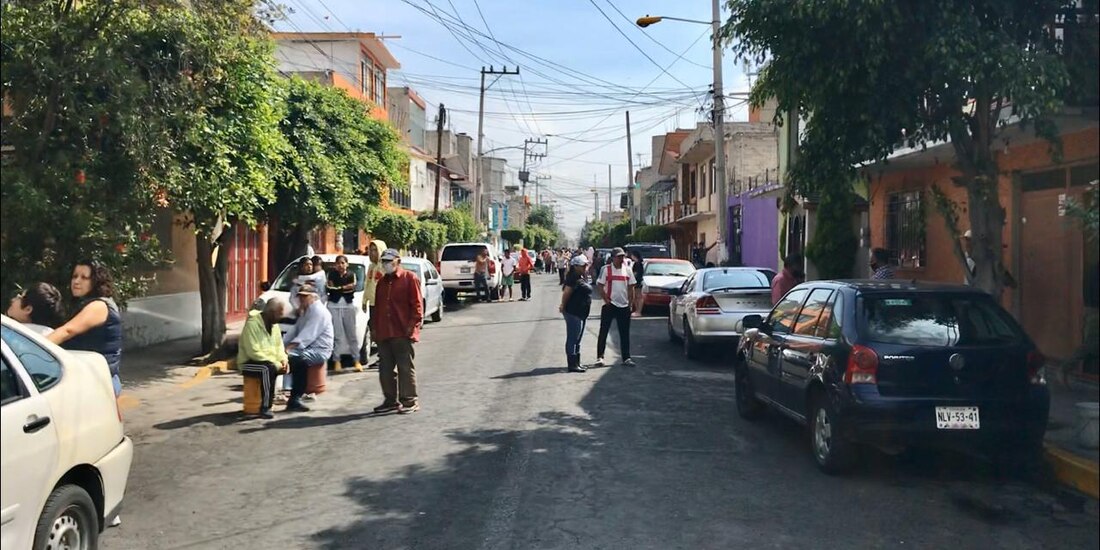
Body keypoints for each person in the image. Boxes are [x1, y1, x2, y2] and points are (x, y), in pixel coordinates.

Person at [48, 260, 124, 396]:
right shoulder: (83, 304)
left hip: (100, 383)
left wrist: (35, 348)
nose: (76, 281)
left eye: (84, 277)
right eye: (74, 276)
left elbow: (67, 330)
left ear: (95, 281)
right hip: (91, 379)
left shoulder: (99, 306)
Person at [371, 249, 424, 415]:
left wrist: (411, 328)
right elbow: (378, 308)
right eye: (384, 262)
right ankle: (390, 400)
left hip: (402, 331)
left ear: (397, 261)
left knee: (405, 368)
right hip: (384, 332)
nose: (386, 264)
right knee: (385, 369)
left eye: (389, 261)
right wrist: (375, 329)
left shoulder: (409, 278)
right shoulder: (382, 283)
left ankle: (409, 400)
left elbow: (417, 306)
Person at [282, 283, 334, 412]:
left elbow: (307, 336)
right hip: (306, 348)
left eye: (305, 297)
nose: (301, 300)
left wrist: (287, 350)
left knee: (295, 359)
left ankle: (295, 396)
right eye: (300, 297)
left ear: (313, 297)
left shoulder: (319, 311)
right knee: (287, 357)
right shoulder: (306, 311)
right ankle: (289, 393)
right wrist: (281, 346)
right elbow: (294, 331)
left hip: (319, 350)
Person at [238, 297, 290, 419]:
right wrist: (276, 364)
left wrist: (283, 360)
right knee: (267, 369)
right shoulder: (252, 325)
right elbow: (253, 352)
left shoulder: (275, 326)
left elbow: (279, 347)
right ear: (271, 313)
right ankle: (266, 407)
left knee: (298, 360)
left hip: (269, 362)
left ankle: (295, 399)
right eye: (279, 314)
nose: (281, 317)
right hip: (248, 362)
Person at [595, 247, 637, 367]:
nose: (621, 259)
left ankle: (626, 357)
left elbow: (631, 287)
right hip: (610, 305)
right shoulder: (606, 270)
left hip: (623, 305)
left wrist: (630, 303)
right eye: (619, 256)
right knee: (604, 331)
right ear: (613, 258)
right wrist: (606, 300)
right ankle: (600, 357)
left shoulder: (628, 270)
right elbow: (600, 285)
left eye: (622, 256)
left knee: (624, 333)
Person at [327, 255, 361, 371]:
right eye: (338, 263)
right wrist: (343, 288)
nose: (340, 265)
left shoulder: (351, 275)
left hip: (348, 305)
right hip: (334, 305)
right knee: (338, 335)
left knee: (351, 334)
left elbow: (352, 287)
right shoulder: (331, 274)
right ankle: (337, 361)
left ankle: (356, 360)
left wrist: (339, 287)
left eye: (342, 263)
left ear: (347, 264)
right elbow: (330, 288)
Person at [559, 254, 593, 373]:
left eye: (586, 265)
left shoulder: (581, 276)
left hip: (581, 312)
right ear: (576, 266)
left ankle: (577, 362)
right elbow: (567, 293)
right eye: (583, 265)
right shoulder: (573, 278)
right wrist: (563, 305)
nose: (585, 267)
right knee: (573, 338)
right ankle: (572, 364)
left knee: (577, 339)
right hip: (573, 312)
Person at [361, 240, 388, 368]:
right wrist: (364, 301)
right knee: (374, 331)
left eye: (374, 250)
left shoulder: (385, 267)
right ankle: (380, 357)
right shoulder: (371, 267)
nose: (372, 253)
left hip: (383, 304)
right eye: (370, 250)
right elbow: (368, 284)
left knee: (383, 331)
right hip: (373, 304)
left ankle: (386, 358)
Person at [629, 251, 646, 317]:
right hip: (638, 281)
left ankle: (638, 311)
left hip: (637, 282)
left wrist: (632, 277)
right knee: (636, 297)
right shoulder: (639, 263)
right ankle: (637, 311)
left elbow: (636, 273)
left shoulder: (637, 263)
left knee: (638, 297)